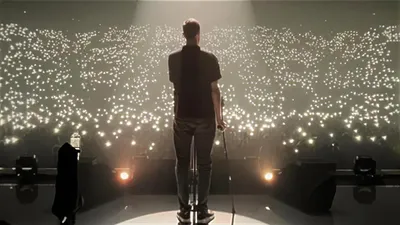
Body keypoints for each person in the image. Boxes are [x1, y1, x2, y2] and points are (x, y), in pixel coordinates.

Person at [168, 18, 226, 224]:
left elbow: (176, 90)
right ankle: (202, 210)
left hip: (182, 116)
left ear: (184, 35)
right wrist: (219, 118)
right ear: (198, 35)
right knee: (204, 165)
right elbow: (215, 91)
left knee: (182, 164)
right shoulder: (210, 58)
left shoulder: (173, 59)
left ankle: (184, 211)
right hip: (205, 117)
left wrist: (177, 114)